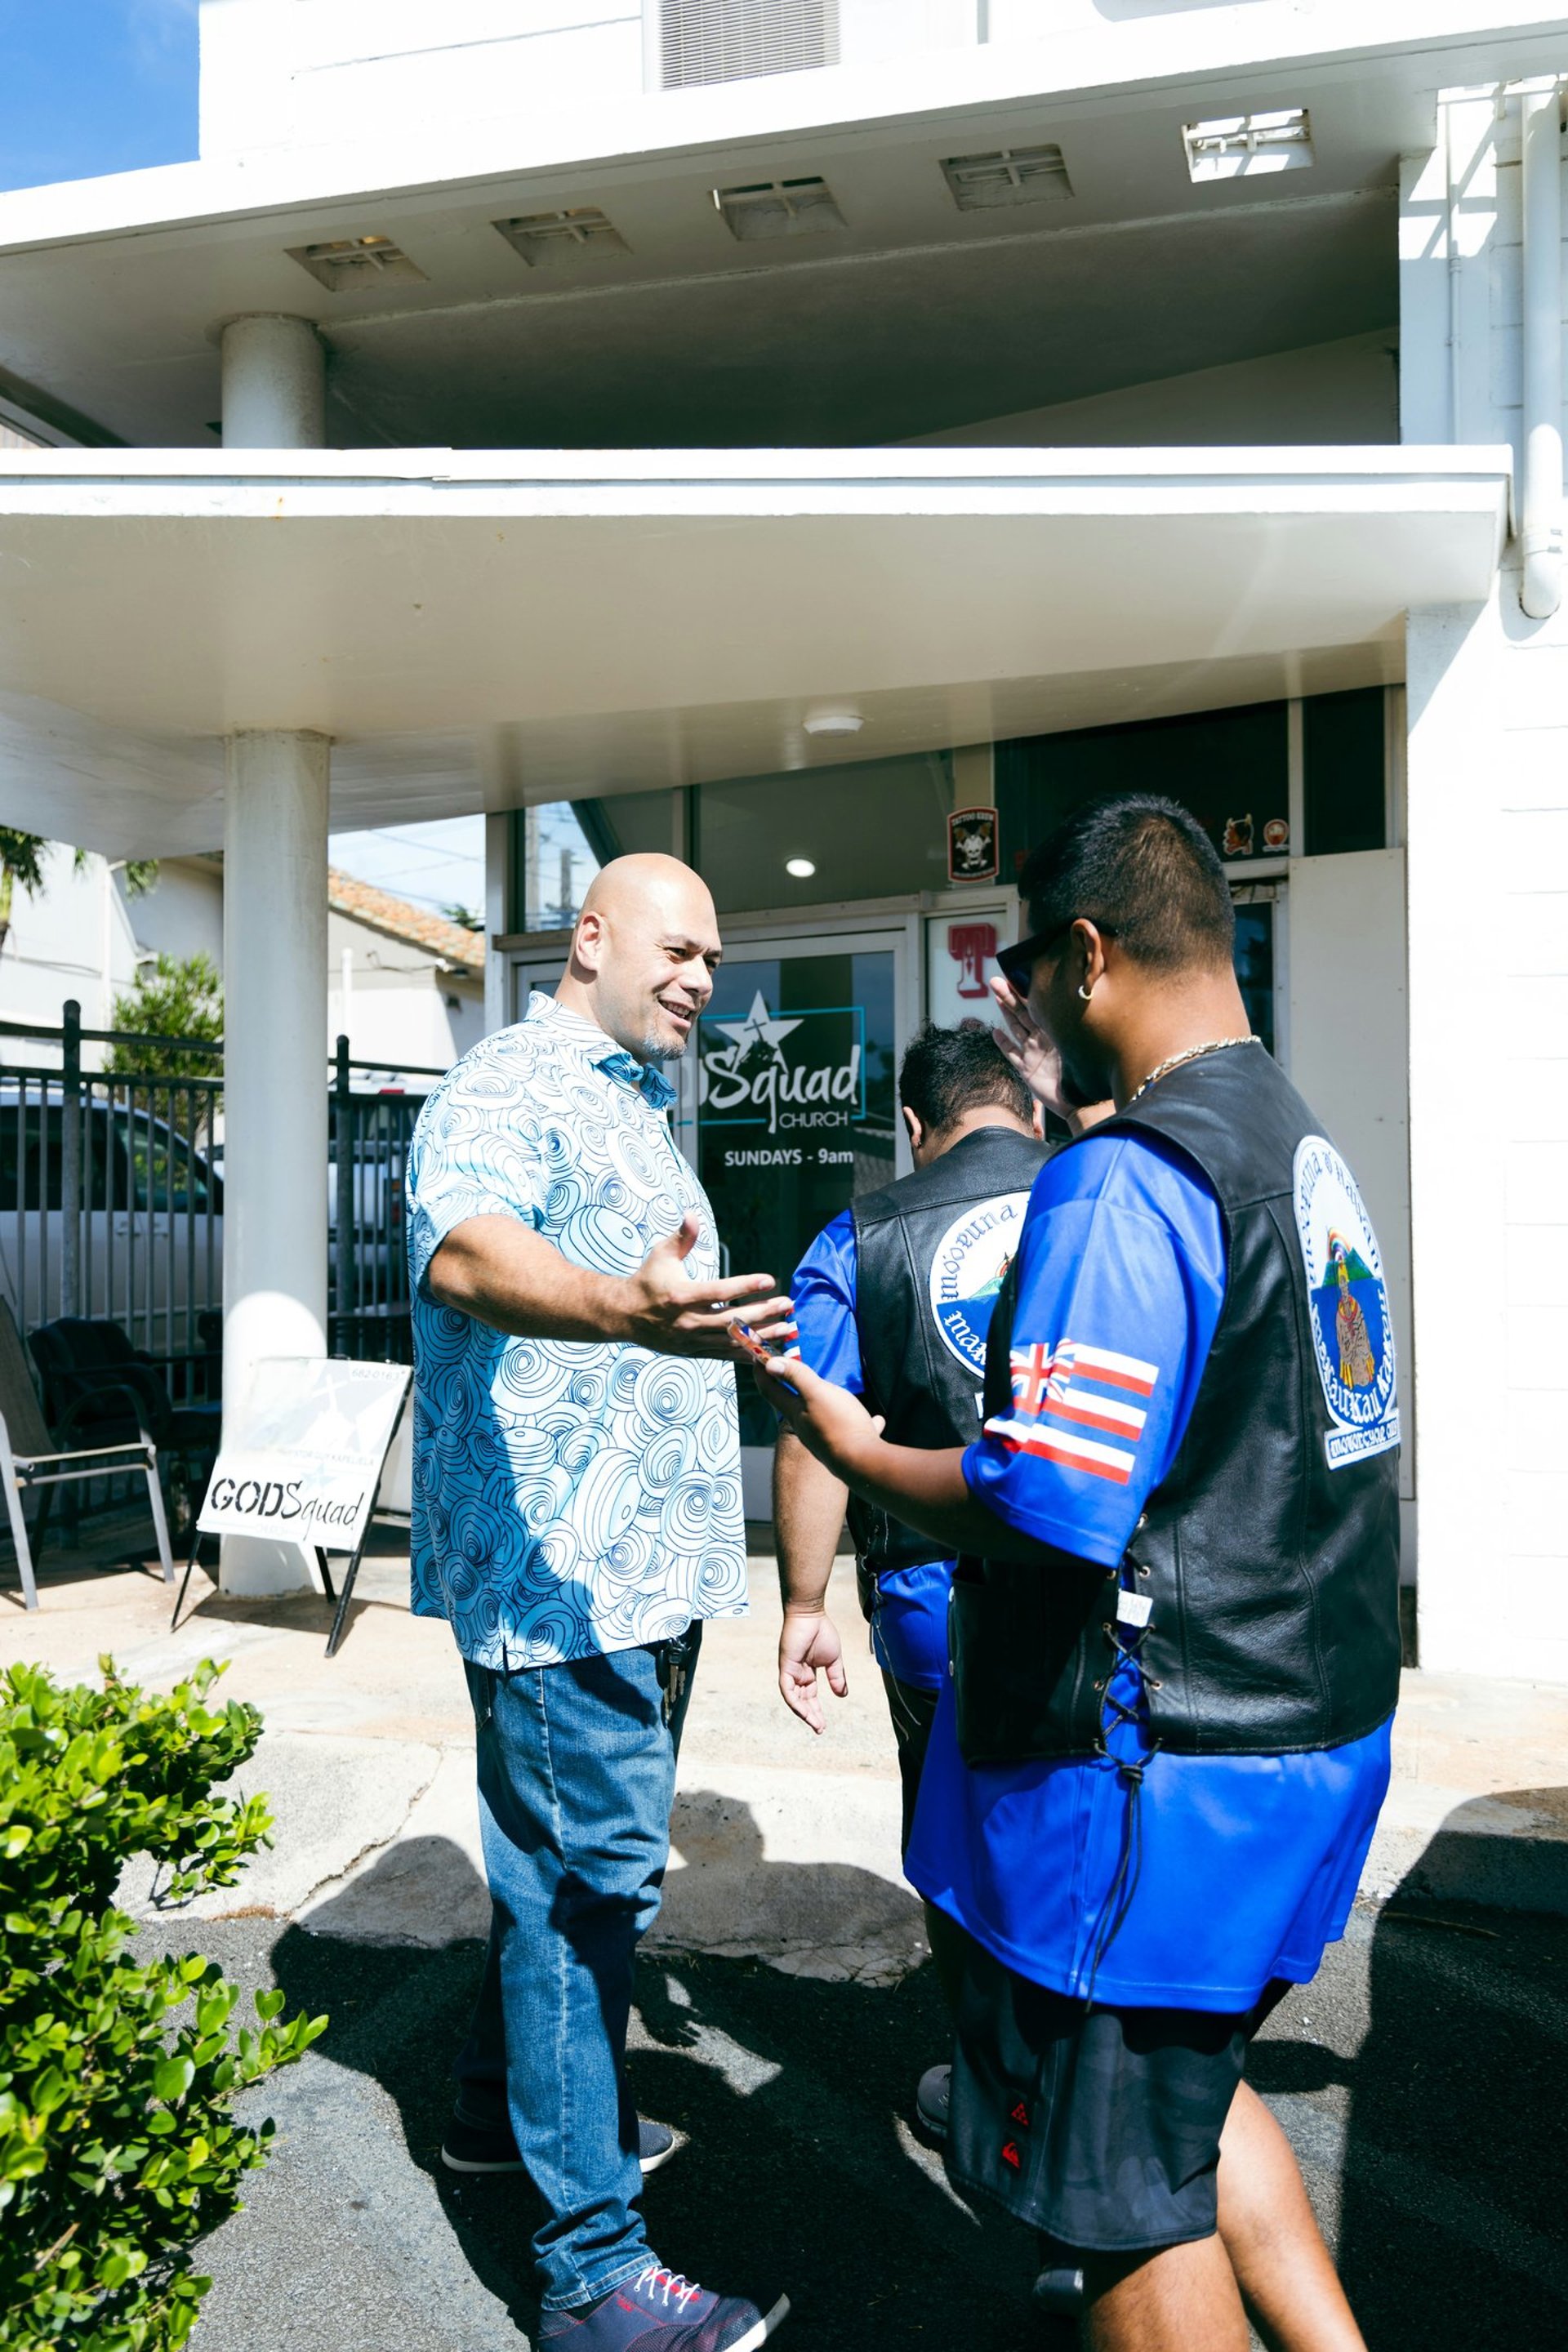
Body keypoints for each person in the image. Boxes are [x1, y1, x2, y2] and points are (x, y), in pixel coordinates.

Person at [760, 793, 1401, 2352]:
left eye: (1026, 971)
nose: (1020, 1005)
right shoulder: (1302, 1143)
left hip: (1161, 1777)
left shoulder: (1128, 1178)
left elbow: (1044, 1500)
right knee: (1184, 2095)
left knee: (1114, 2204)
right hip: (1314, 1732)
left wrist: (850, 1446)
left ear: (1093, 955)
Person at [407, 852, 792, 2352]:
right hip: (563, 1584)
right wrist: (614, 1306)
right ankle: (593, 2277)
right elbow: (464, 1248)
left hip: (637, 1582)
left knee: (574, 1884)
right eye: (678, 948)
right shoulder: (514, 1082)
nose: (702, 977)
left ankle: (498, 2124)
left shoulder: (634, 1098)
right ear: (589, 938)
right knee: (581, 1902)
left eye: (715, 957)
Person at [773, 1021, 1051, 2005]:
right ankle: (1070, 2079)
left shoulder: (861, 1236)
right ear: (1027, 1104)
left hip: (933, 1599)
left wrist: (804, 1605)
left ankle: (984, 2074)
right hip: (1102, 1589)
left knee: (950, 1833)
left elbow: (815, 1429)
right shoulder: (1108, 1196)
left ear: (912, 1125)